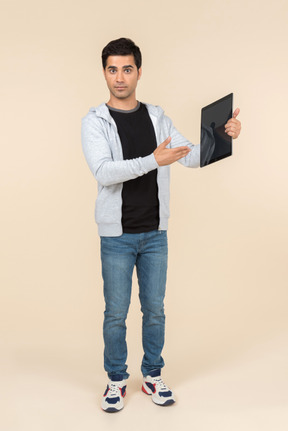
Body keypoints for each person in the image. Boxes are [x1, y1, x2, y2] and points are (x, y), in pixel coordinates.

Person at [81, 37, 241, 413]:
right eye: (112, 69)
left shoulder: (157, 117)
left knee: (155, 310)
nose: (119, 77)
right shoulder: (95, 121)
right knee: (115, 313)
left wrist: (225, 138)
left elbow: (191, 157)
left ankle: (152, 375)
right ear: (105, 72)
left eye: (127, 69)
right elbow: (104, 172)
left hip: (155, 233)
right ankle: (117, 381)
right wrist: (153, 160)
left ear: (139, 71)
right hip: (117, 236)